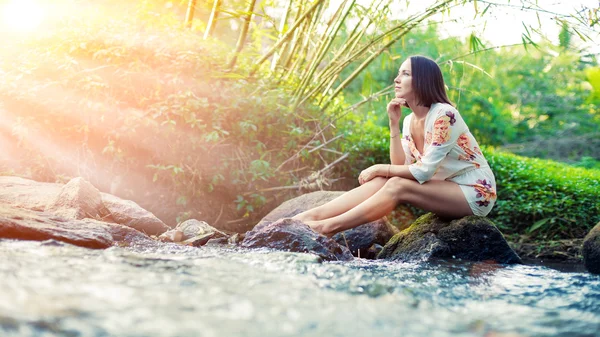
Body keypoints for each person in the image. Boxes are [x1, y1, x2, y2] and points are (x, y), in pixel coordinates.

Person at [292, 55, 497, 237]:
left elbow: (423, 172)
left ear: (422, 80)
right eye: (399, 73)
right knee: (387, 179)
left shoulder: (444, 114)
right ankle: (310, 216)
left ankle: (326, 227)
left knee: (396, 184)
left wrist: (379, 168)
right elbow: (400, 164)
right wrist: (394, 124)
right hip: (446, 189)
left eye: (405, 74)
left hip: (474, 192)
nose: (396, 79)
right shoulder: (410, 121)